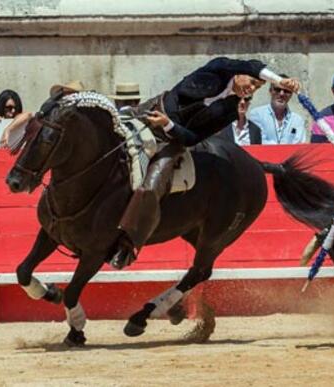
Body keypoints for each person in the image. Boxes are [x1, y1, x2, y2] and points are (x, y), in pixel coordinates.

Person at [113, 57, 300, 268]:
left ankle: (127, 243)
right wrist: (278, 80)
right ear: (241, 73)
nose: (251, 89)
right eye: (252, 82)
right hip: (146, 113)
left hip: (170, 140)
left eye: (256, 88)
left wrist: (168, 125)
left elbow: (193, 137)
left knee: (151, 187)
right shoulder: (218, 70)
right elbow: (247, 66)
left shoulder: (231, 110)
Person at [0, 81, 85, 150]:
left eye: (71, 94)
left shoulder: (83, 114)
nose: (13, 111)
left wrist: (7, 129)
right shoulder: (50, 109)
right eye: (63, 94)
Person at [249, 74, 306, 144]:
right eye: (277, 90)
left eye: (286, 91)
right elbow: (258, 142)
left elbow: (299, 146)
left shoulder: (297, 121)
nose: (281, 94)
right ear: (270, 91)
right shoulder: (257, 115)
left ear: (291, 95)